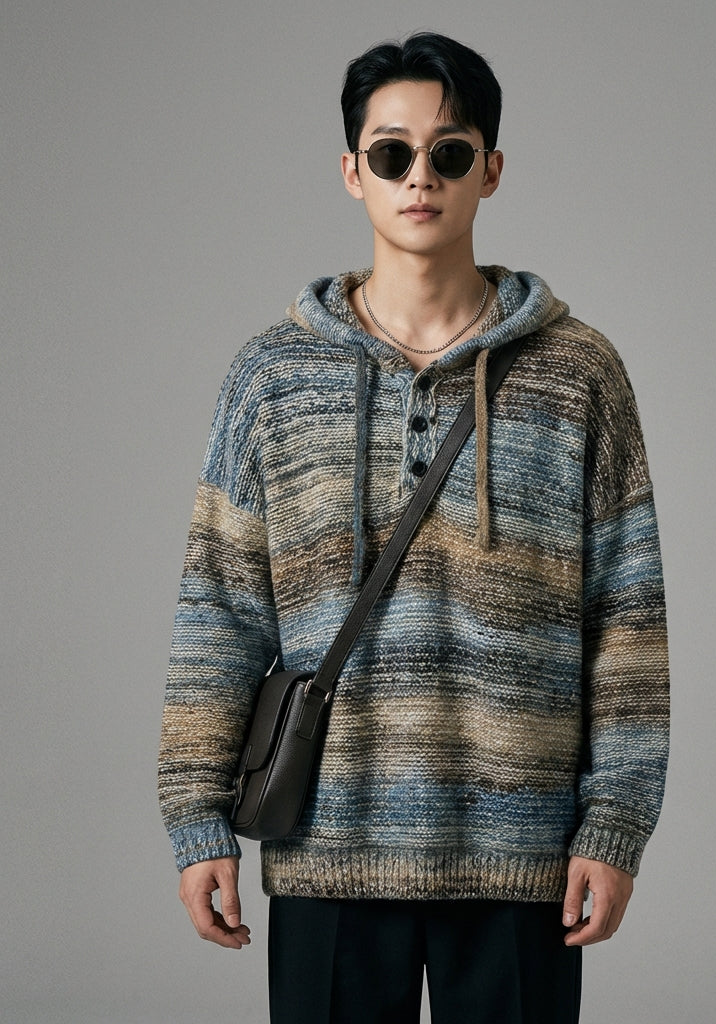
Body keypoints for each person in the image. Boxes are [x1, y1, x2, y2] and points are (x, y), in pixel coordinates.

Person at [159, 31, 669, 1024]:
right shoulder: (272, 377)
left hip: (521, 853)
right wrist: (196, 816)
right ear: (353, 172)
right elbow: (218, 610)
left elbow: (628, 617)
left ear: (491, 169)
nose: (419, 177)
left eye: (449, 152)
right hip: (325, 846)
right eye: (391, 153)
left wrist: (615, 822)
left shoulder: (578, 373)